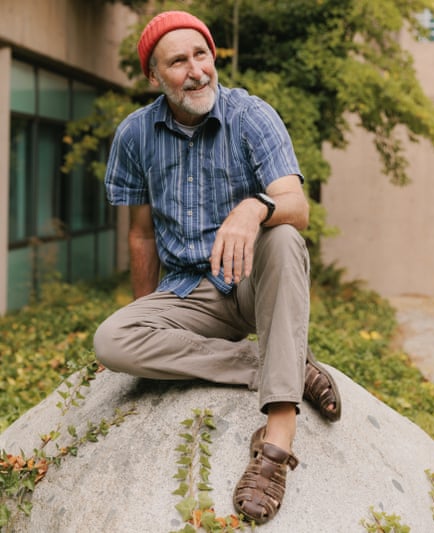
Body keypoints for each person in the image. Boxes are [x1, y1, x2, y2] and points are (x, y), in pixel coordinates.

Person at [94, 10, 341, 525]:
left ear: (213, 57)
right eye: (178, 61)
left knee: (284, 236)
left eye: (201, 54)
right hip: (190, 293)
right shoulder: (135, 135)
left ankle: (275, 444)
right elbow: (141, 235)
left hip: (254, 283)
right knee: (113, 340)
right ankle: (283, 365)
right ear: (154, 77)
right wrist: (148, 328)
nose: (196, 70)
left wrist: (255, 208)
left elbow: (297, 205)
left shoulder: (252, 115)